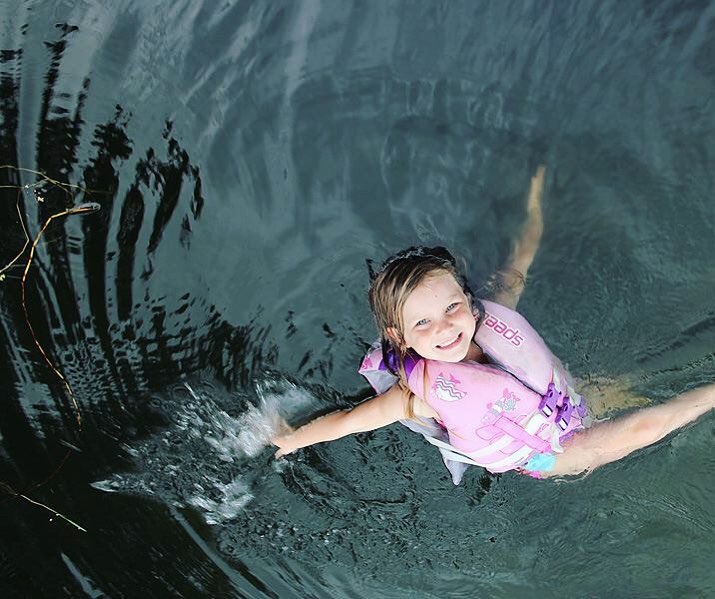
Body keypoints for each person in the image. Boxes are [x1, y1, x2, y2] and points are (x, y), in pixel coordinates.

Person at [271, 167, 715, 480]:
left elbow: (519, 260)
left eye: (451, 308)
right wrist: (290, 441)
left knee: (635, 388)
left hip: (570, 400)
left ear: (466, 300)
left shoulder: (490, 316)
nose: (446, 328)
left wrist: (535, 208)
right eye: (422, 322)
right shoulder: (417, 397)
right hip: (550, 455)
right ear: (398, 337)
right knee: (645, 427)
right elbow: (349, 421)